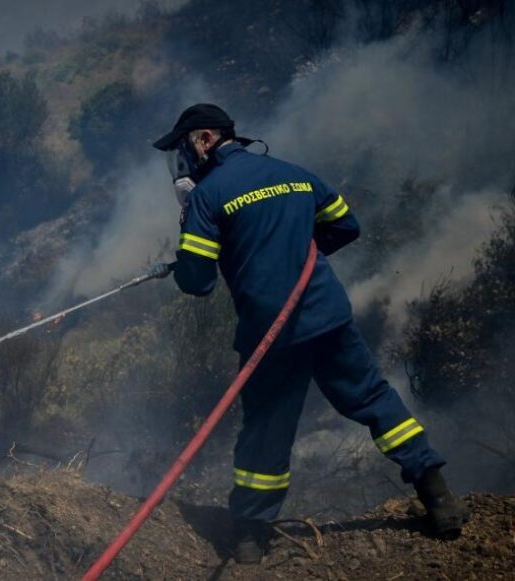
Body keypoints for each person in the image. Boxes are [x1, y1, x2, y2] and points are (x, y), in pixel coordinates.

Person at [148, 104, 468, 564]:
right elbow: (345, 225)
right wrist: (297, 250)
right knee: (376, 402)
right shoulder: (296, 175)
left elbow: (196, 283)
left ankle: (249, 540)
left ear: (203, 141)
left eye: (182, 149)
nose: (181, 162)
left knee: (266, 432)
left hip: (270, 336)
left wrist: (191, 241)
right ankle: (438, 497)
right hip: (328, 317)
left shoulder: (207, 195)